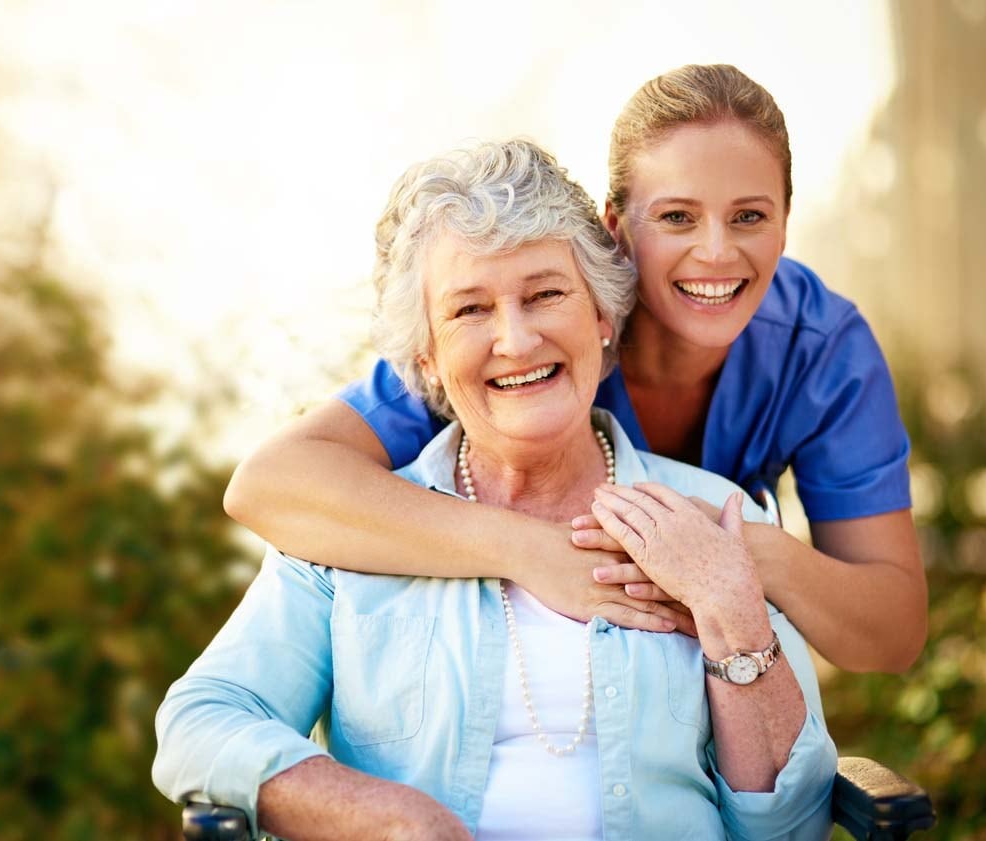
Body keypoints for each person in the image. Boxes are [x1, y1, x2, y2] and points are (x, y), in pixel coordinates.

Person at [154, 139, 836, 840]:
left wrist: (731, 611)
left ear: (602, 319)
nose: (514, 339)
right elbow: (203, 718)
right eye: (468, 310)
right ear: (426, 355)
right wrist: (389, 818)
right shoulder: (344, 531)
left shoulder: (717, 513)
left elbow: (791, 824)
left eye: (544, 294)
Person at [222, 64, 926, 674]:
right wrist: (531, 550)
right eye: (677, 217)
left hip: (705, 679)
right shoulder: (538, 325)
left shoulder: (821, 348)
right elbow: (271, 485)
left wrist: (737, 553)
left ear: (783, 220)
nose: (715, 252)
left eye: (748, 216)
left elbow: (891, 634)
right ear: (615, 225)